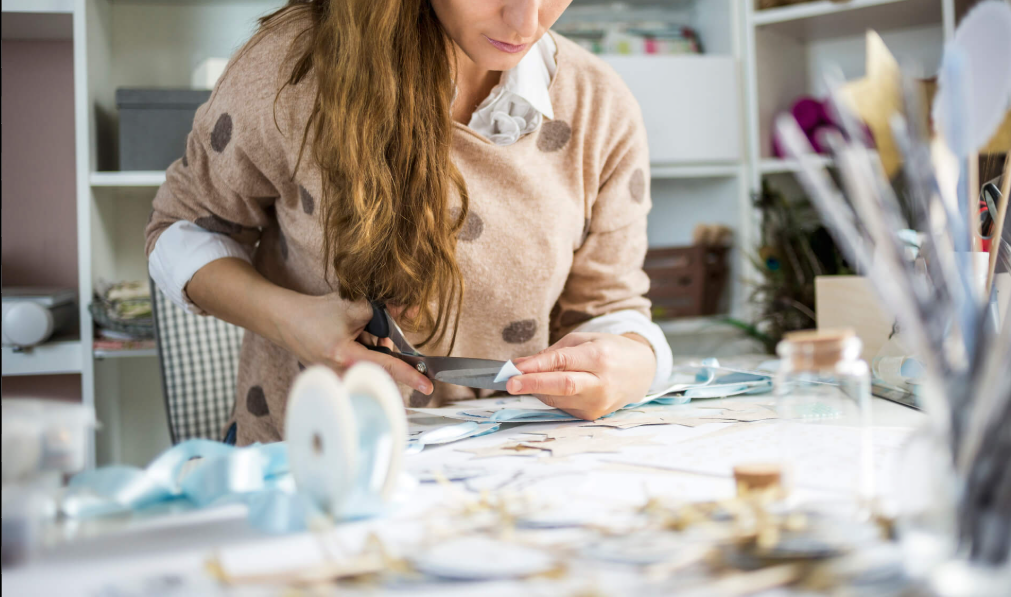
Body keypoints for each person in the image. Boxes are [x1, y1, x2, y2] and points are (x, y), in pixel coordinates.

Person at [145, 0, 672, 445]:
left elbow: (610, 308)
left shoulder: (600, 106)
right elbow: (180, 232)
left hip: (509, 474)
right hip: (311, 461)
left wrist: (636, 362)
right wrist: (293, 321)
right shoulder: (294, 69)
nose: (527, 21)